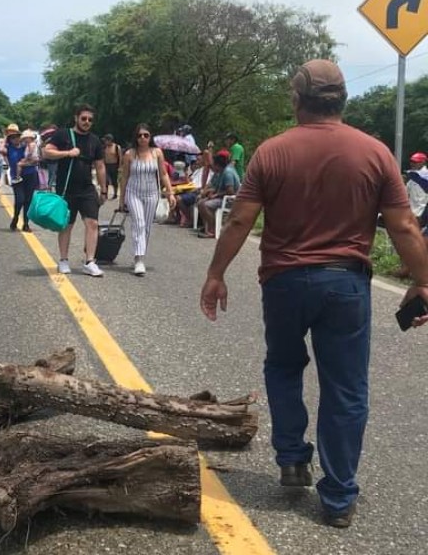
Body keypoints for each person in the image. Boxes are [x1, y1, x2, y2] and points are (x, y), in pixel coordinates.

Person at [199, 59, 428, 529]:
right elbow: (404, 225)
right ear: (341, 99)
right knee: (345, 388)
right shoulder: (376, 152)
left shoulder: (272, 152)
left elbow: (241, 219)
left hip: (283, 282)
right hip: (346, 284)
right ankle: (339, 497)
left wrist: (216, 273)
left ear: (297, 100)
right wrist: (424, 282)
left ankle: (291, 457)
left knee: (283, 366)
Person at [43, 104, 108, 276]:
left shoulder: (95, 140)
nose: (87, 122)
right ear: (76, 118)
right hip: (66, 188)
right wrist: (67, 153)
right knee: (67, 225)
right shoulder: (63, 135)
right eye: (84, 118)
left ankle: (90, 261)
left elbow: (100, 166)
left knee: (92, 223)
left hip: (87, 188)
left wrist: (104, 189)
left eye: (90, 120)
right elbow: (47, 152)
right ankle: (63, 260)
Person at [118, 123, 175, 276]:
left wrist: (170, 192)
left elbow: (163, 174)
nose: (142, 138)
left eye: (146, 135)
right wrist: (121, 199)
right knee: (139, 223)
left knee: (147, 227)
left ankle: (139, 254)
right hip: (133, 192)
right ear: (135, 138)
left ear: (150, 137)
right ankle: (139, 259)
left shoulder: (157, 153)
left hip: (152, 193)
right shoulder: (129, 154)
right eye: (139, 135)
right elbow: (124, 177)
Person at [195, 150, 240, 238]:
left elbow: (230, 191)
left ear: (218, 165)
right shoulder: (221, 172)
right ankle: (208, 227)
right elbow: (216, 186)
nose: (213, 166)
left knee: (205, 205)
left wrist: (215, 195)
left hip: (230, 200)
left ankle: (213, 230)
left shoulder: (228, 173)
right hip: (223, 198)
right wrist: (210, 192)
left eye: (214, 164)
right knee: (201, 202)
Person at [103, 134, 121, 200]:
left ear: (110, 140)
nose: (105, 142)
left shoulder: (116, 147)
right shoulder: (105, 147)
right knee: (106, 180)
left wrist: (119, 166)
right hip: (106, 165)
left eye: (106, 140)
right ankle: (105, 194)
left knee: (114, 180)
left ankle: (115, 194)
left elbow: (120, 157)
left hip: (114, 165)